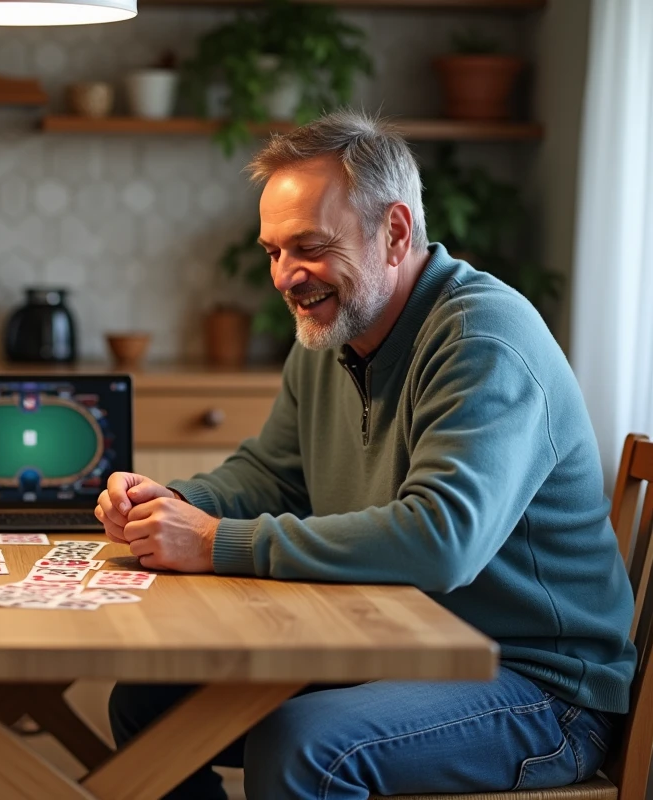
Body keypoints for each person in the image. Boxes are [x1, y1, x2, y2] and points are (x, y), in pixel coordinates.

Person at [97, 110, 636, 799]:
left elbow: (443, 540)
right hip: (398, 647)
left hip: (538, 686)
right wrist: (172, 503)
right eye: (273, 252)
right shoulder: (332, 333)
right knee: (149, 704)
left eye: (310, 247)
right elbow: (272, 475)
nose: (286, 277)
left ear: (396, 233)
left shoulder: (484, 339)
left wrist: (218, 543)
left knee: (303, 746)